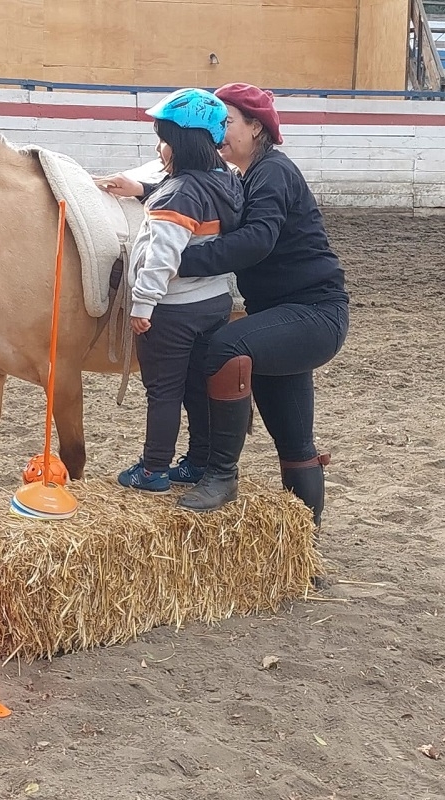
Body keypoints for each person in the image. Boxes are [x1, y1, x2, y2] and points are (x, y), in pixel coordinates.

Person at [102, 83, 349, 527]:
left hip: (311, 312)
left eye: (228, 121)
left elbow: (256, 240)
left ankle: (220, 473)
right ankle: (304, 549)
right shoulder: (239, 175)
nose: (220, 131)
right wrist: (143, 189)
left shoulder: (272, 172)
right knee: (295, 442)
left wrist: (174, 262)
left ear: (256, 128)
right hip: (278, 317)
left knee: (224, 348)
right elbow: (199, 195)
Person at [112, 88, 243, 492]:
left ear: (182, 144)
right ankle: (199, 461)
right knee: (195, 387)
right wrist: (145, 189)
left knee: (163, 391)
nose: (159, 147)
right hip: (213, 303)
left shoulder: (179, 193)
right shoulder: (227, 181)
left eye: (165, 139)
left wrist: (142, 305)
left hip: (172, 310)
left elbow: (162, 256)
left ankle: (153, 470)